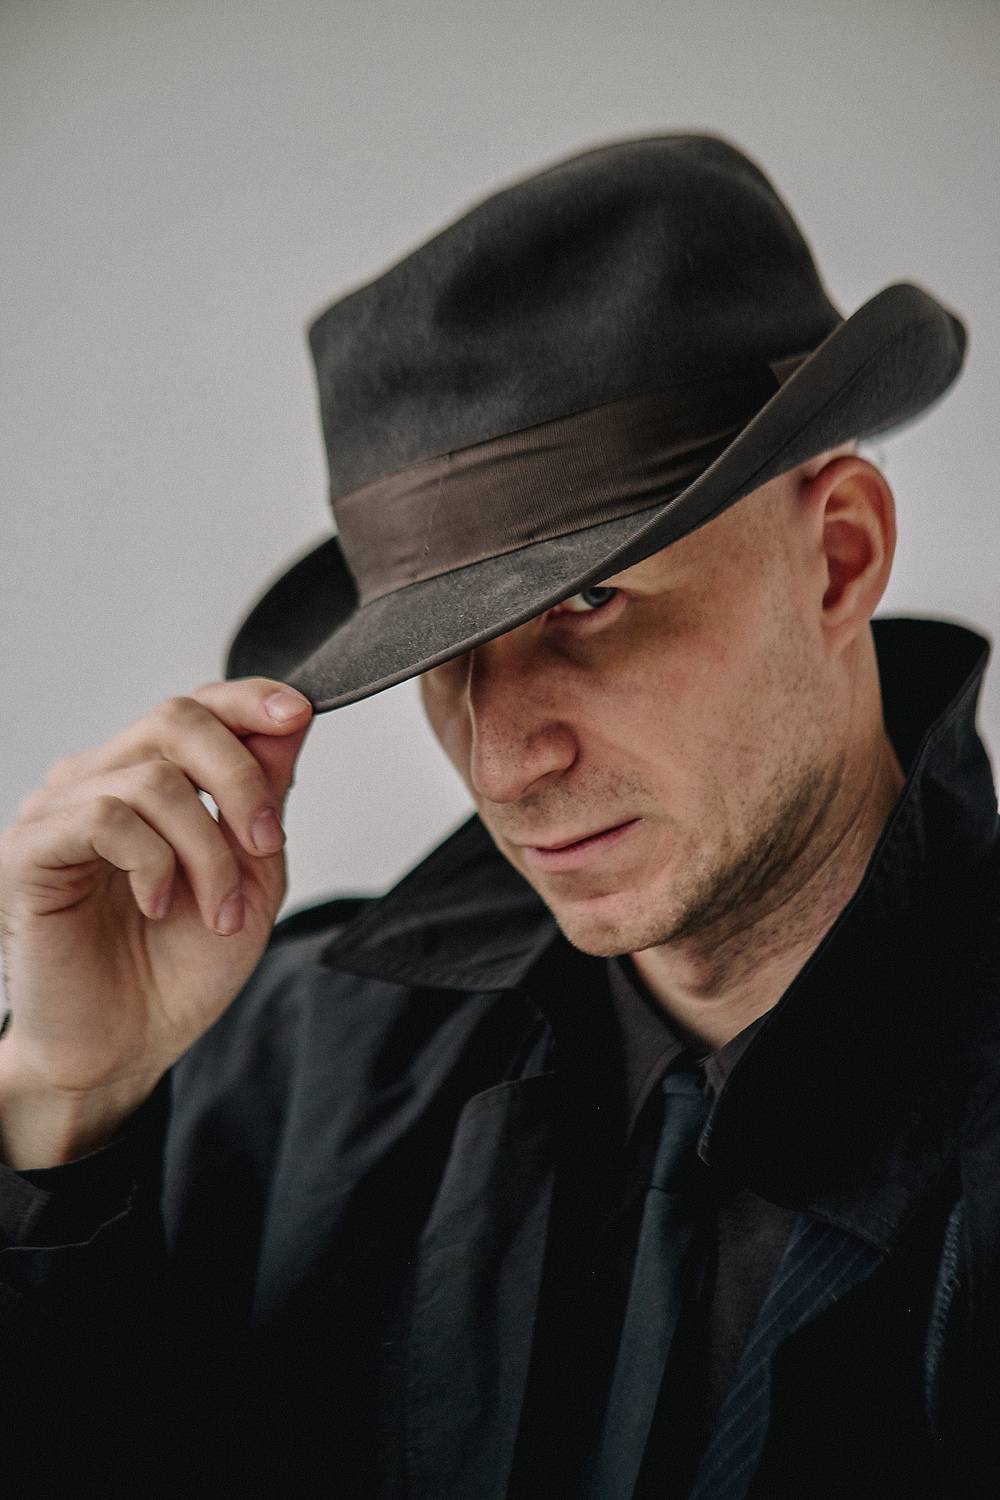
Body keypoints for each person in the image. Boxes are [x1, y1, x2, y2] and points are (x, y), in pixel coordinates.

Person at [0, 133, 995, 1500]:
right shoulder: (282, 1058)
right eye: (441, 652)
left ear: (839, 557)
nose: (504, 762)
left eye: (589, 602)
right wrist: (59, 1108)